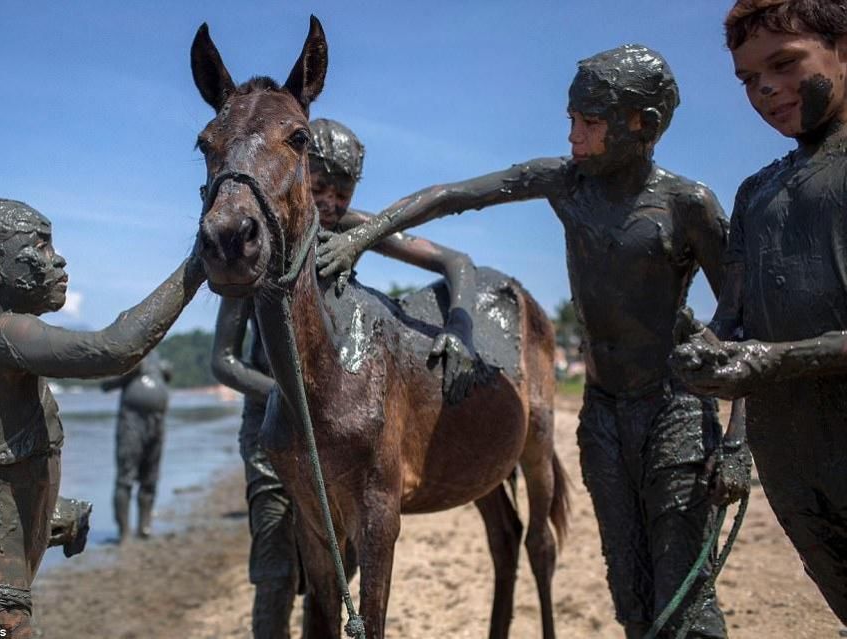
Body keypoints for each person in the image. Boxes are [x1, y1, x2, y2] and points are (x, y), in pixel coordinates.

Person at [317, 47, 736, 638]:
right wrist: (365, 235)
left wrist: (738, 442)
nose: (572, 136)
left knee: (685, 585)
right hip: (602, 412)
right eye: (570, 119)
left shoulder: (689, 204)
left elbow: (741, 322)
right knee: (630, 588)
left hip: (673, 407)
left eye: (588, 123)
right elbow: (450, 195)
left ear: (640, 124)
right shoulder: (566, 184)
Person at [211, 118, 480, 639]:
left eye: (343, 191)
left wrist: (461, 330)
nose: (331, 203)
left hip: (337, 432)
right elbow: (223, 362)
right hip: (272, 429)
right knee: (275, 569)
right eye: (320, 188)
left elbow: (456, 262)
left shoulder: (353, 226)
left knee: (337, 571)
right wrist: (292, 400)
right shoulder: (254, 239)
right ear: (297, 176)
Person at [0, 198, 205, 636]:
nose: (58, 259)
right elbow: (115, 349)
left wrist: (40, 514)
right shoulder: (1, 334)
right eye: (40, 247)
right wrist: (197, 264)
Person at [671, 0, 847, 624]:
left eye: (784, 62)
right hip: (792, 460)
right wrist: (700, 344)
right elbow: (735, 320)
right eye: (748, 78)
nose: (766, 87)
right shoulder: (756, 193)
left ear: (843, 50)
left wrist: (774, 361)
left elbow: (763, 353)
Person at [101, 352, 173, 542]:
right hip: (132, 421)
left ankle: (144, 527)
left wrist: (166, 371)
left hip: (157, 423)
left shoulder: (157, 358)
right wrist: (129, 371)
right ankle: (124, 531)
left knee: (151, 477)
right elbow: (105, 384)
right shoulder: (128, 354)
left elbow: (167, 378)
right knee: (126, 477)